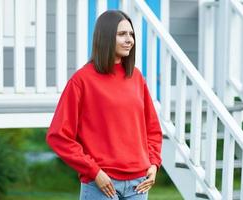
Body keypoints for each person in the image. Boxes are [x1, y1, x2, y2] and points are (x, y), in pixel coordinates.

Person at [46, 10, 162, 200]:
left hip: (139, 184)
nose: (129, 40)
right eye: (122, 34)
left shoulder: (136, 77)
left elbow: (153, 129)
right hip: (101, 184)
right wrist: (94, 171)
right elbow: (58, 136)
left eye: (131, 34)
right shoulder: (82, 80)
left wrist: (153, 163)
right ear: (106, 37)